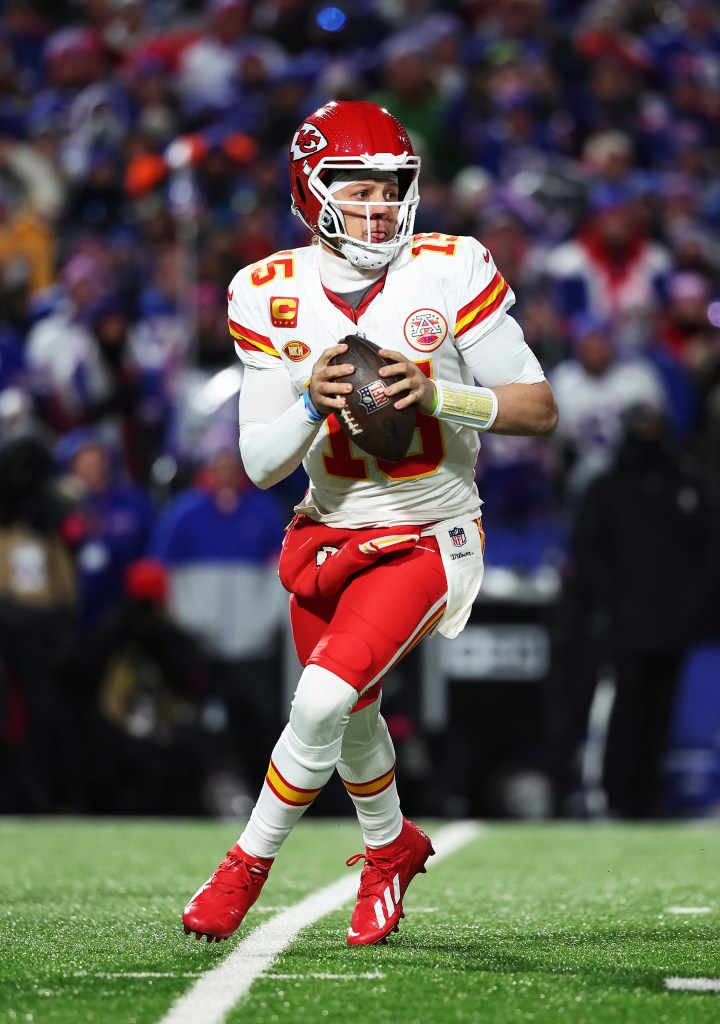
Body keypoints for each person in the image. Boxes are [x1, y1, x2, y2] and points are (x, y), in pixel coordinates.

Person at [182, 99, 557, 947]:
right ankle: (392, 848)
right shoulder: (266, 290)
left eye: (393, 186)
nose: (381, 205)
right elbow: (258, 463)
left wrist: (442, 393)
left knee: (318, 700)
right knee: (351, 718)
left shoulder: (450, 269)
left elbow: (539, 410)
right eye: (357, 187)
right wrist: (314, 409)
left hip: (430, 531)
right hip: (327, 528)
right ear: (310, 194)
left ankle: (246, 865)